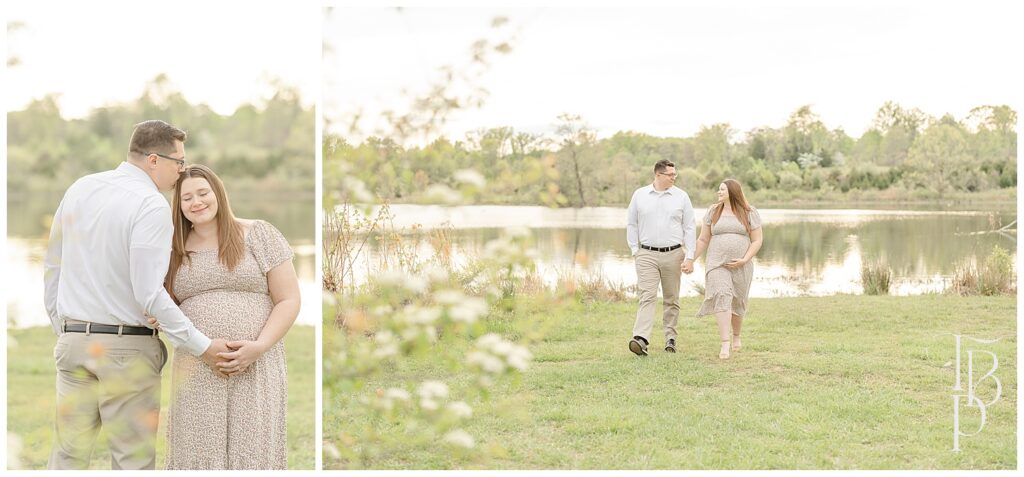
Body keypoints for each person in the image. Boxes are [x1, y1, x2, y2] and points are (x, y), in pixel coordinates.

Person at [43, 120, 230, 470]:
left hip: (72, 346)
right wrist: (203, 346)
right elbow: (149, 294)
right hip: (126, 350)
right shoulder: (151, 205)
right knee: (132, 463)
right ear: (154, 160)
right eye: (179, 162)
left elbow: (53, 266)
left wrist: (64, 329)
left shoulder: (80, 188)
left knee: (67, 457)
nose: (182, 171)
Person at [156, 164, 300, 469]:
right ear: (178, 206)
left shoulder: (258, 233)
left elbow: (289, 299)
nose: (196, 202)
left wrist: (259, 346)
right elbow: (161, 303)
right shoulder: (172, 248)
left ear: (218, 193)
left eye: (203, 193)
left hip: (257, 362)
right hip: (197, 362)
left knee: (253, 449)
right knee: (198, 450)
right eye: (186, 198)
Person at [626, 159, 697, 356]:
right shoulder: (639, 195)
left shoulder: (681, 197)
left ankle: (670, 338)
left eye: (675, 174)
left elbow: (690, 227)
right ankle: (641, 339)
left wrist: (689, 257)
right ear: (658, 175)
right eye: (670, 175)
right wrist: (635, 249)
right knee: (647, 295)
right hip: (646, 254)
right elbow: (631, 224)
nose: (674, 178)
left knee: (671, 298)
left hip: (674, 254)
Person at [692, 179, 764, 359]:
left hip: (742, 264)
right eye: (719, 189)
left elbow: (757, 240)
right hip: (717, 263)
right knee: (722, 296)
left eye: (722, 189)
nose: (719, 192)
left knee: (738, 301)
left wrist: (744, 259)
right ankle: (725, 343)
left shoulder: (749, 212)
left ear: (732, 191)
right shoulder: (713, 211)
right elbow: (703, 240)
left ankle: (736, 336)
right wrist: (690, 259)